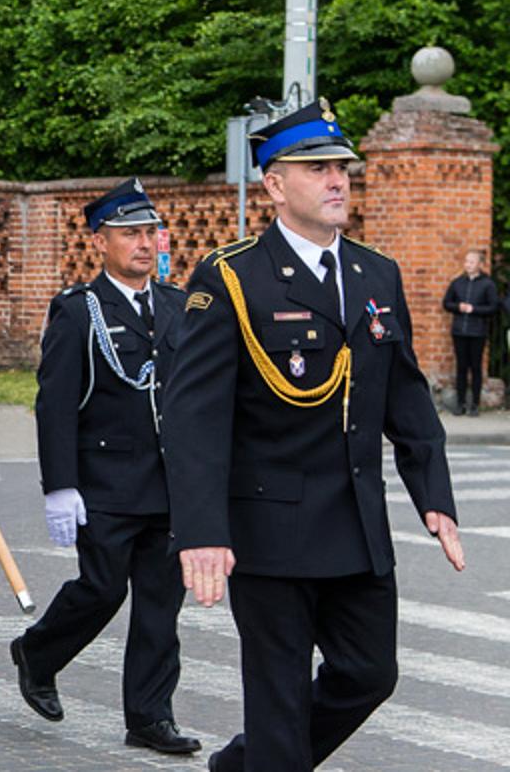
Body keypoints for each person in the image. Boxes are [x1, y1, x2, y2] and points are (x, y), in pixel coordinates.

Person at [165, 98, 464, 772]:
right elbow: (194, 416)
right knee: (277, 705)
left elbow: (406, 395)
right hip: (270, 530)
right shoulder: (232, 276)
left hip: (355, 528)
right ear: (274, 185)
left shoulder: (375, 272)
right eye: (318, 169)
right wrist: (202, 530)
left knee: (369, 674)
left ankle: (242, 765)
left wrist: (434, 495)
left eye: (342, 169)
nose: (337, 181)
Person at [11, 178, 199, 755]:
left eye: (150, 233)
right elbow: (56, 403)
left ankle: (149, 716)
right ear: (100, 241)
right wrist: (60, 486)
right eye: (129, 234)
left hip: (168, 485)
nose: (144, 243)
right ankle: (38, 652)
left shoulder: (177, 305)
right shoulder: (79, 310)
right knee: (101, 588)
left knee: (161, 605)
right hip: (107, 483)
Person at [442, 249, 496, 416]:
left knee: (476, 368)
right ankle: (460, 404)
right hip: (459, 331)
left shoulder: (488, 284)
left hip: (478, 332)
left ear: (480, 264)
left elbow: (493, 307)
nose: (468, 264)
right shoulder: (457, 282)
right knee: (461, 368)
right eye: (466, 261)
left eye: (472, 262)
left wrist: (474, 309)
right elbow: (446, 303)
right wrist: (458, 307)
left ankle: (475, 405)